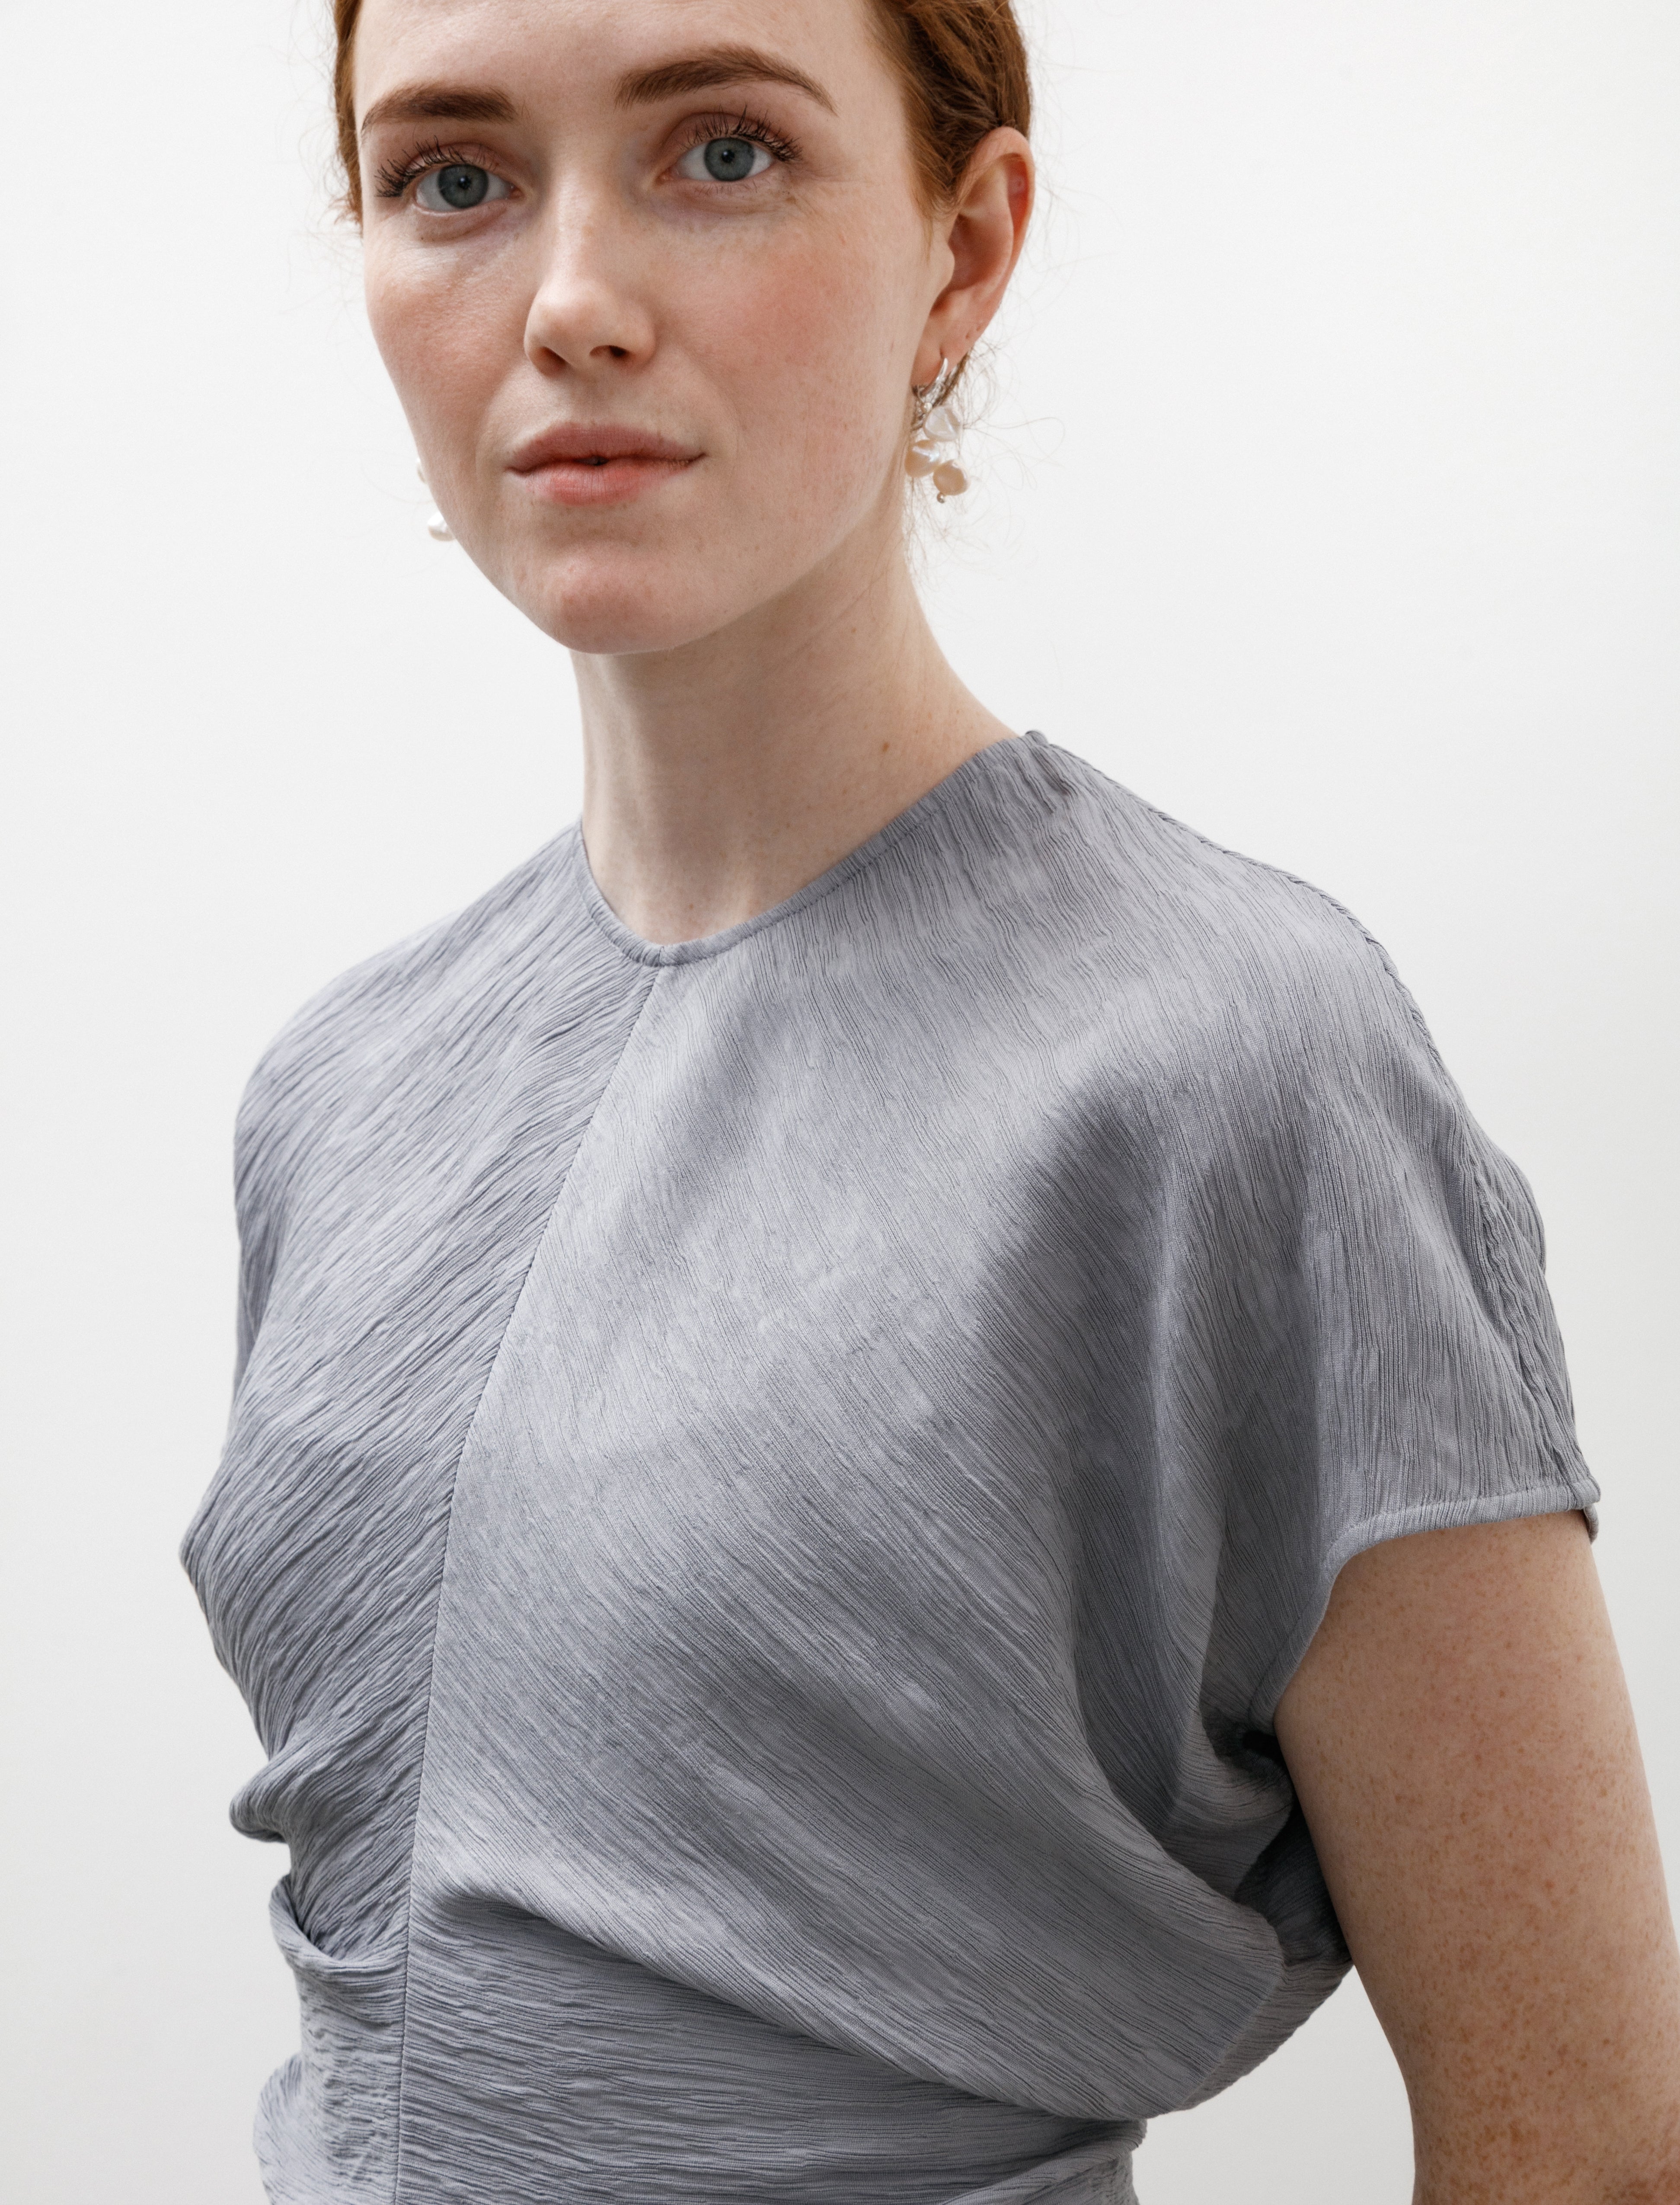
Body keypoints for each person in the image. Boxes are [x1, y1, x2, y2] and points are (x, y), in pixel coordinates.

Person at [180, 2, 1680, 2200]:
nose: (572, 301)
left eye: (721, 153)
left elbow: (1588, 2144)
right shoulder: (342, 1092)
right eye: (455, 178)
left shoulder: (1237, 1074)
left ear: (963, 250)